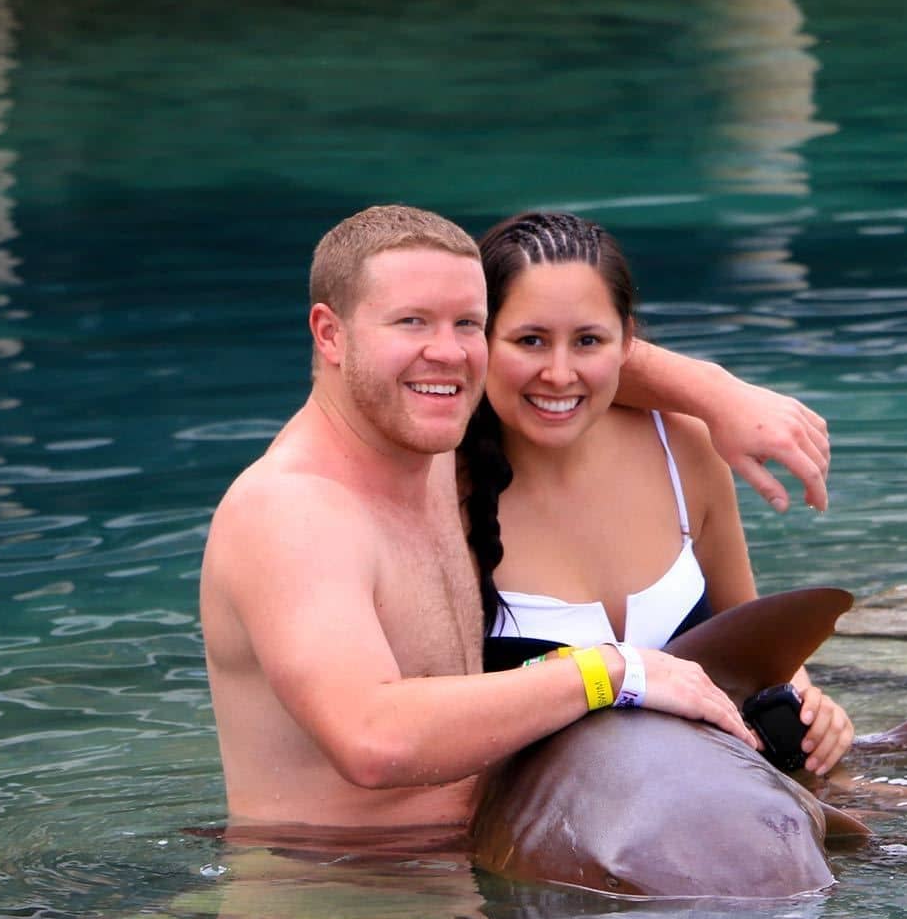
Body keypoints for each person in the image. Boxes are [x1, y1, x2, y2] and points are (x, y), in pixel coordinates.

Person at [201, 204, 830, 830]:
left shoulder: (426, 457)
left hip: (482, 886)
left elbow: (577, 353)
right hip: (345, 904)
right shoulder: (293, 512)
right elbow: (372, 740)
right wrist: (614, 670)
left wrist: (717, 393)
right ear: (330, 334)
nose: (445, 353)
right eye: (411, 322)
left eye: (466, 325)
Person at [460, 211, 854, 777]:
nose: (559, 372)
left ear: (626, 342)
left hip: (712, 794)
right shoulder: (443, 497)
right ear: (482, 342)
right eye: (530, 341)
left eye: (588, 340)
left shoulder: (683, 446)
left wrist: (810, 712)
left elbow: (758, 655)